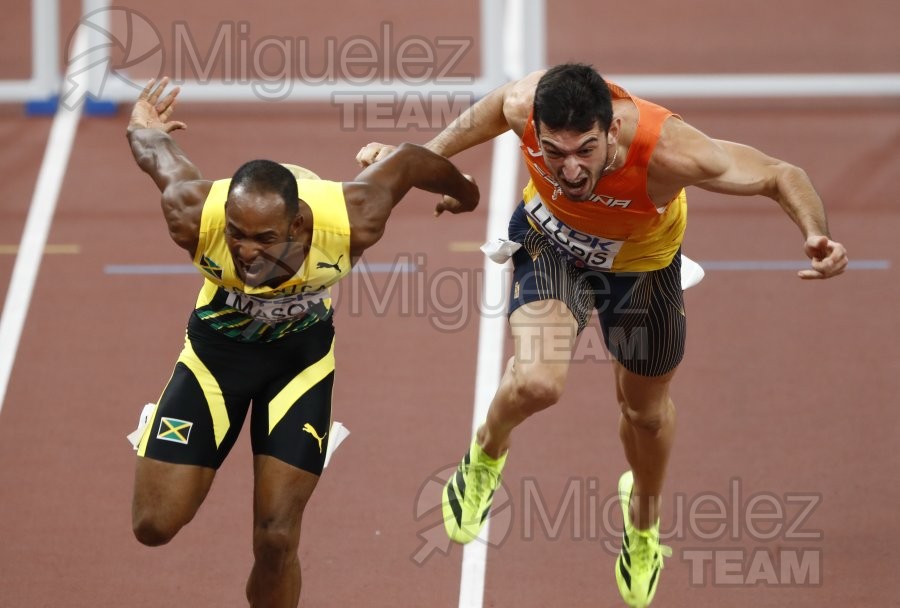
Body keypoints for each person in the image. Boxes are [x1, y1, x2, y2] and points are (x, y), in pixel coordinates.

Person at [357, 63, 847, 607]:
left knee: (646, 414)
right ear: (537, 128)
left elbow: (781, 173)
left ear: (611, 129)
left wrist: (816, 233)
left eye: (585, 150)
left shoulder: (676, 152)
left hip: (643, 270)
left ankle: (642, 526)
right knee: (539, 383)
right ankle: (484, 458)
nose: (568, 169)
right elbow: (494, 109)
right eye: (553, 151)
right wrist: (426, 161)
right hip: (553, 246)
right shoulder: (524, 105)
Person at [126, 77, 478, 608]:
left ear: (299, 224)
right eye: (237, 234)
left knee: (276, 537)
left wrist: (465, 193)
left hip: (300, 365)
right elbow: (157, 152)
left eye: (265, 239)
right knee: (152, 525)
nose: (245, 253)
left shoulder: (353, 217)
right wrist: (142, 123)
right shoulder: (194, 215)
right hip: (214, 361)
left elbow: (409, 161)